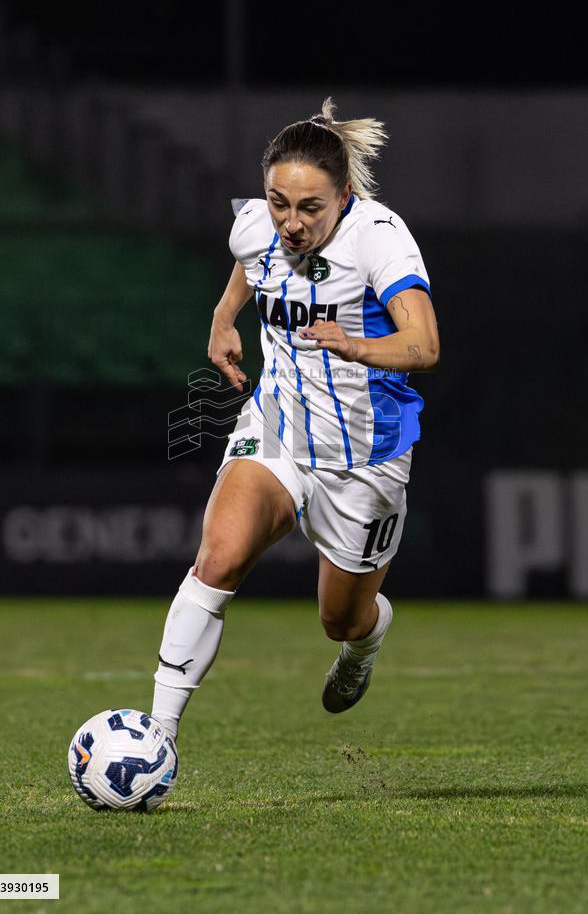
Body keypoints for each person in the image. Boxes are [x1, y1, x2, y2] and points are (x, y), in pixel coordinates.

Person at [151, 97, 439, 743]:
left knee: (340, 619)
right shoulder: (259, 224)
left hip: (365, 457)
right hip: (278, 427)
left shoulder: (381, 241)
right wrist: (224, 320)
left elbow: (424, 346)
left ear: (344, 196)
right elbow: (249, 265)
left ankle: (362, 646)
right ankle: (156, 737)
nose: (291, 222)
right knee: (217, 561)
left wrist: (357, 344)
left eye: (310, 207)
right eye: (280, 202)